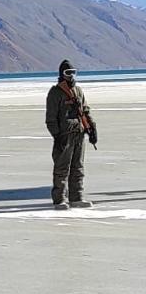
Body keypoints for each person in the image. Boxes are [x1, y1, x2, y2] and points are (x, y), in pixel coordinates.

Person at [45, 60, 97, 209]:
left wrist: (92, 128)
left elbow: (85, 111)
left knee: (78, 167)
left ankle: (77, 197)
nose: (71, 76)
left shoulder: (79, 91)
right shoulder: (55, 92)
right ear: (62, 74)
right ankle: (59, 199)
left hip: (79, 133)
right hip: (64, 135)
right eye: (68, 73)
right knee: (62, 168)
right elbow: (50, 118)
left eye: (73, 72)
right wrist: (57, 136)